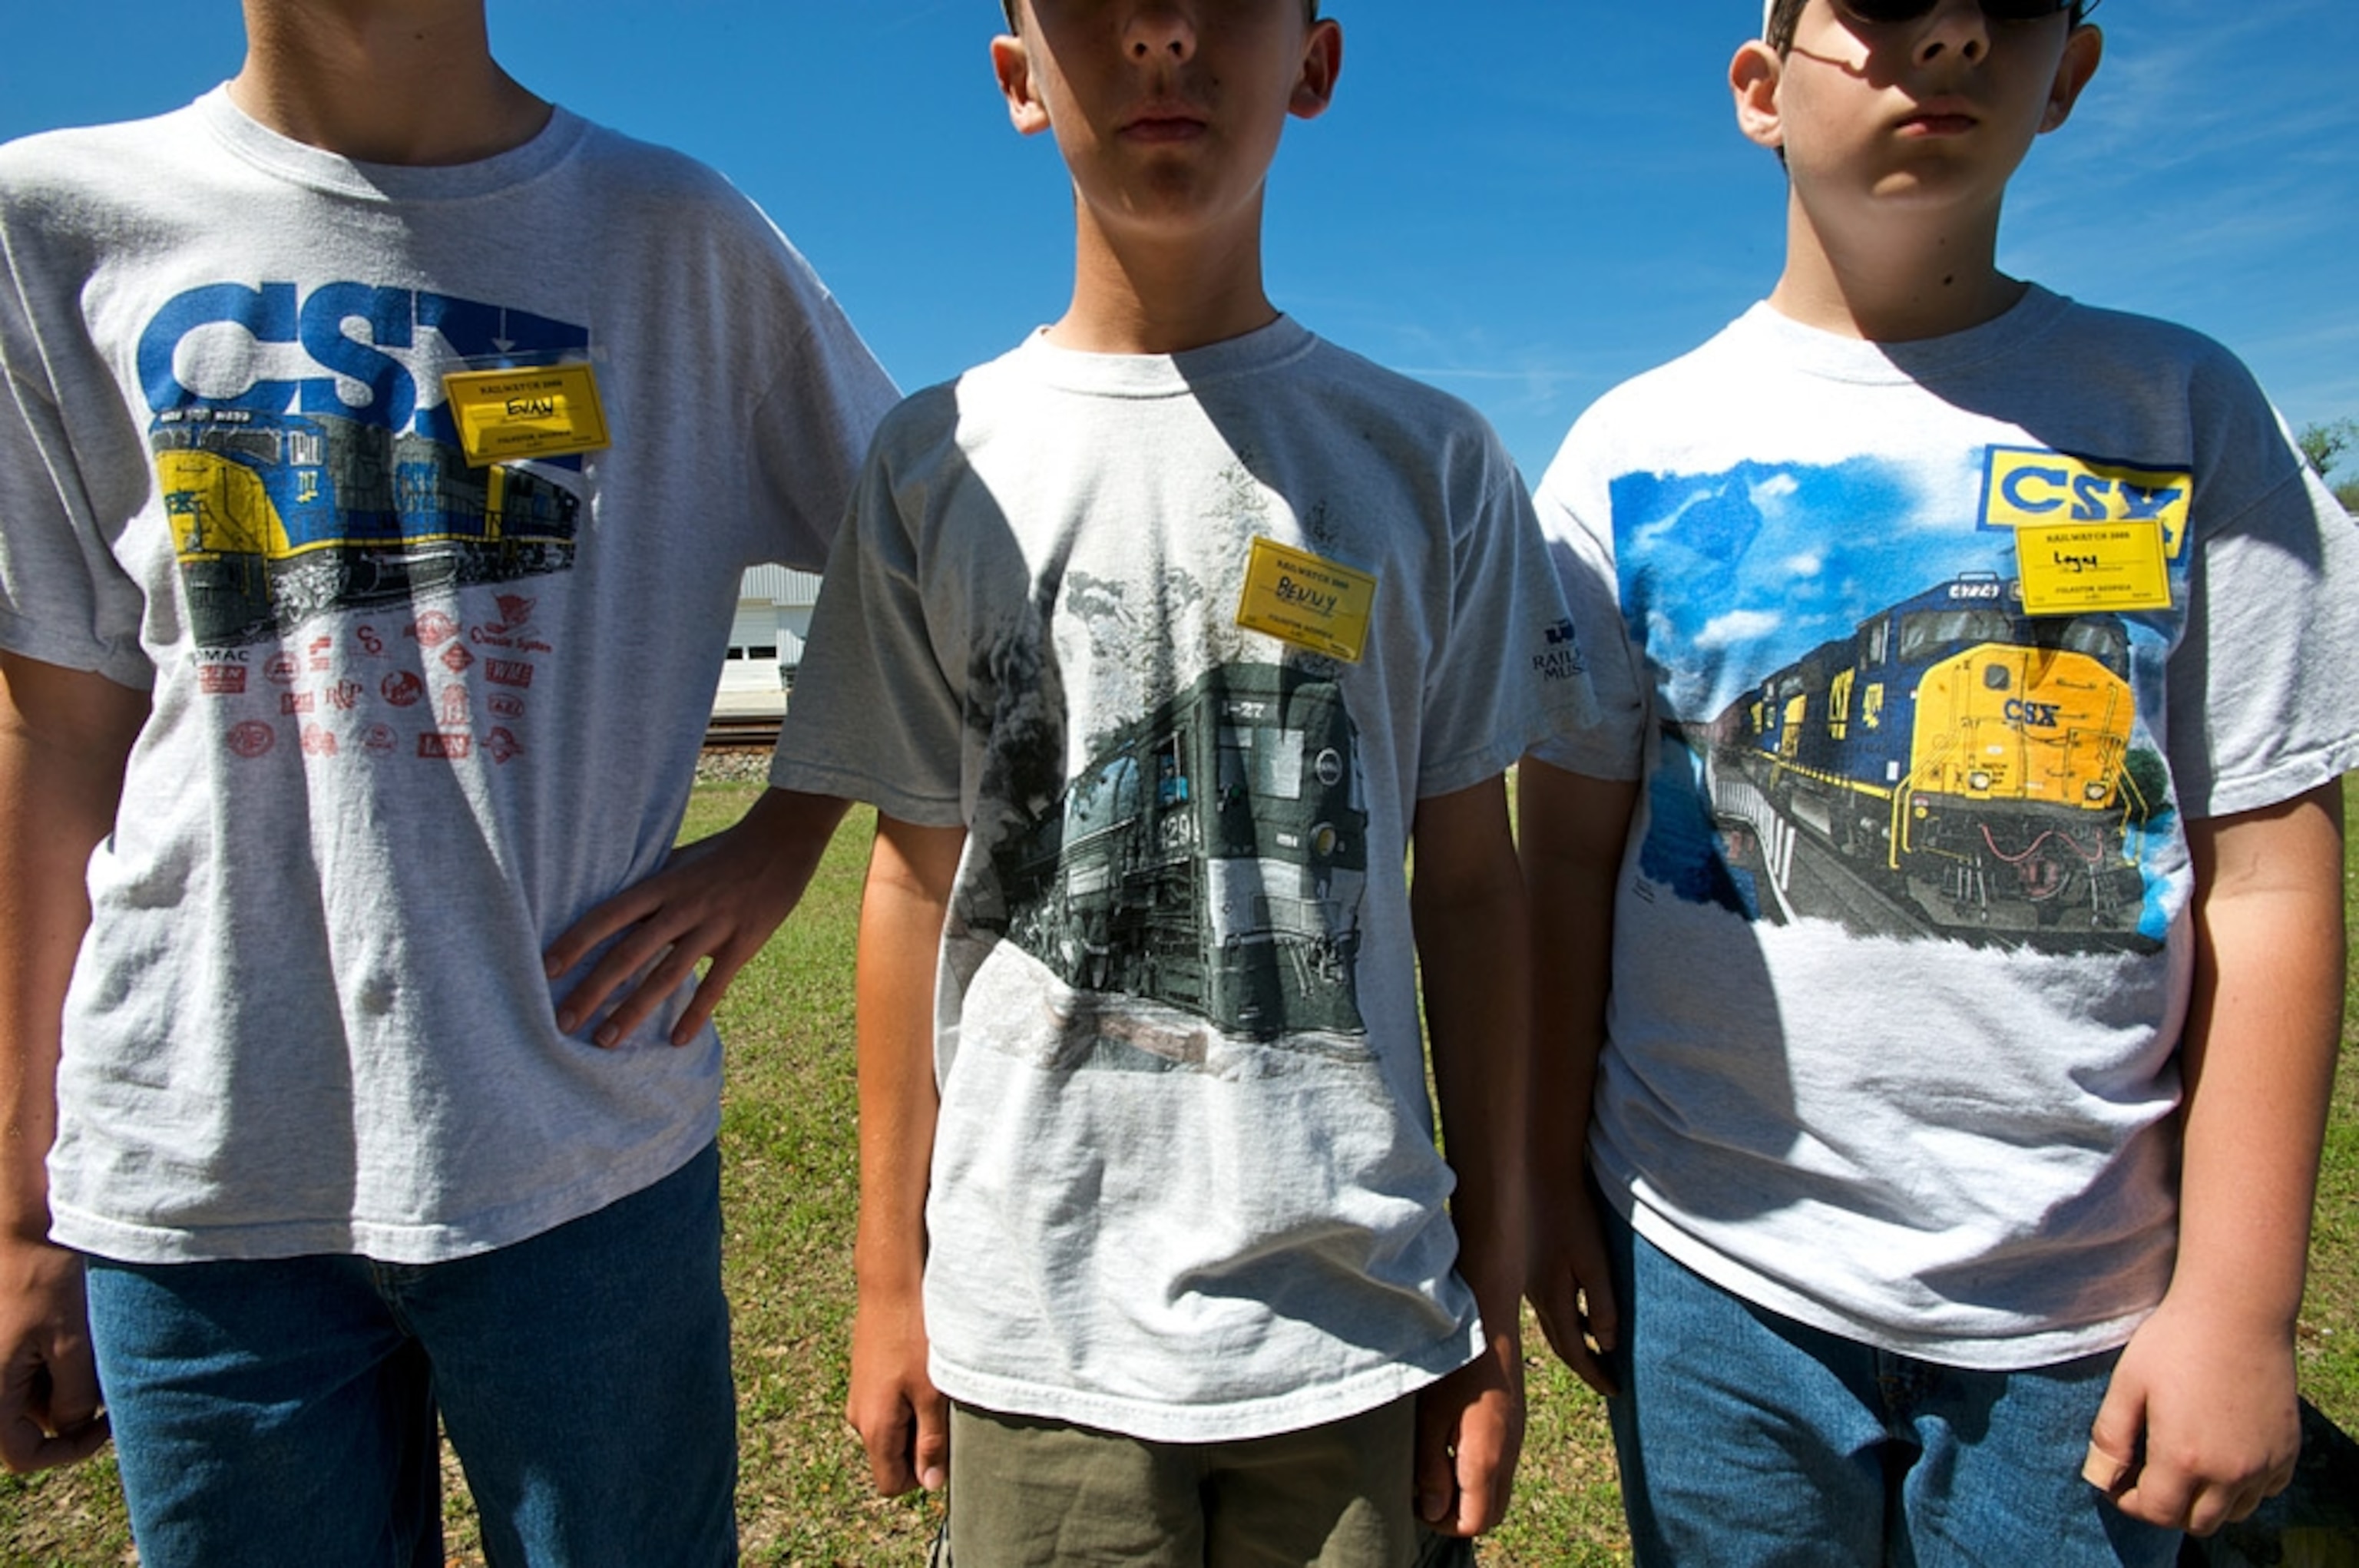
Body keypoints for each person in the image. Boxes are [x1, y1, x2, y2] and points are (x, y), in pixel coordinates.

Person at [0, 2, 894, 1562]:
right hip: (194, 1162)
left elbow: (930, 561)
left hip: (580, 1140)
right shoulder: (54, 221)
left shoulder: (675, 236)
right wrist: (18, 1202)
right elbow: (55, 731)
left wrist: (787, 834)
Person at [1520, 2, 2359, 1563]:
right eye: (1884, 0)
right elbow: (1564, 856)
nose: (1952, 31)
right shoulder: (1626, 449)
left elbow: (2275, 874)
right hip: (1711, 1262)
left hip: (2088, 1298)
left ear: (2073, 71)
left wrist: (2243, 1302)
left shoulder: (2187, 412)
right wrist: (1544, 1173)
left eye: (2008, 1)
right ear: (1761, 90)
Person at [766, 0, 1592, 1560]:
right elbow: (912, 877)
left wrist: (1489, 1269)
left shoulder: (1432, 460)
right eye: (1092, 5)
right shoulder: (937, 459)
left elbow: (1473, 887)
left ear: (1317, 60)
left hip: (1359, 1317)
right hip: (1035, 1323)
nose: (1160, 34)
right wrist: (891, 1275)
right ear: (1018, 78)